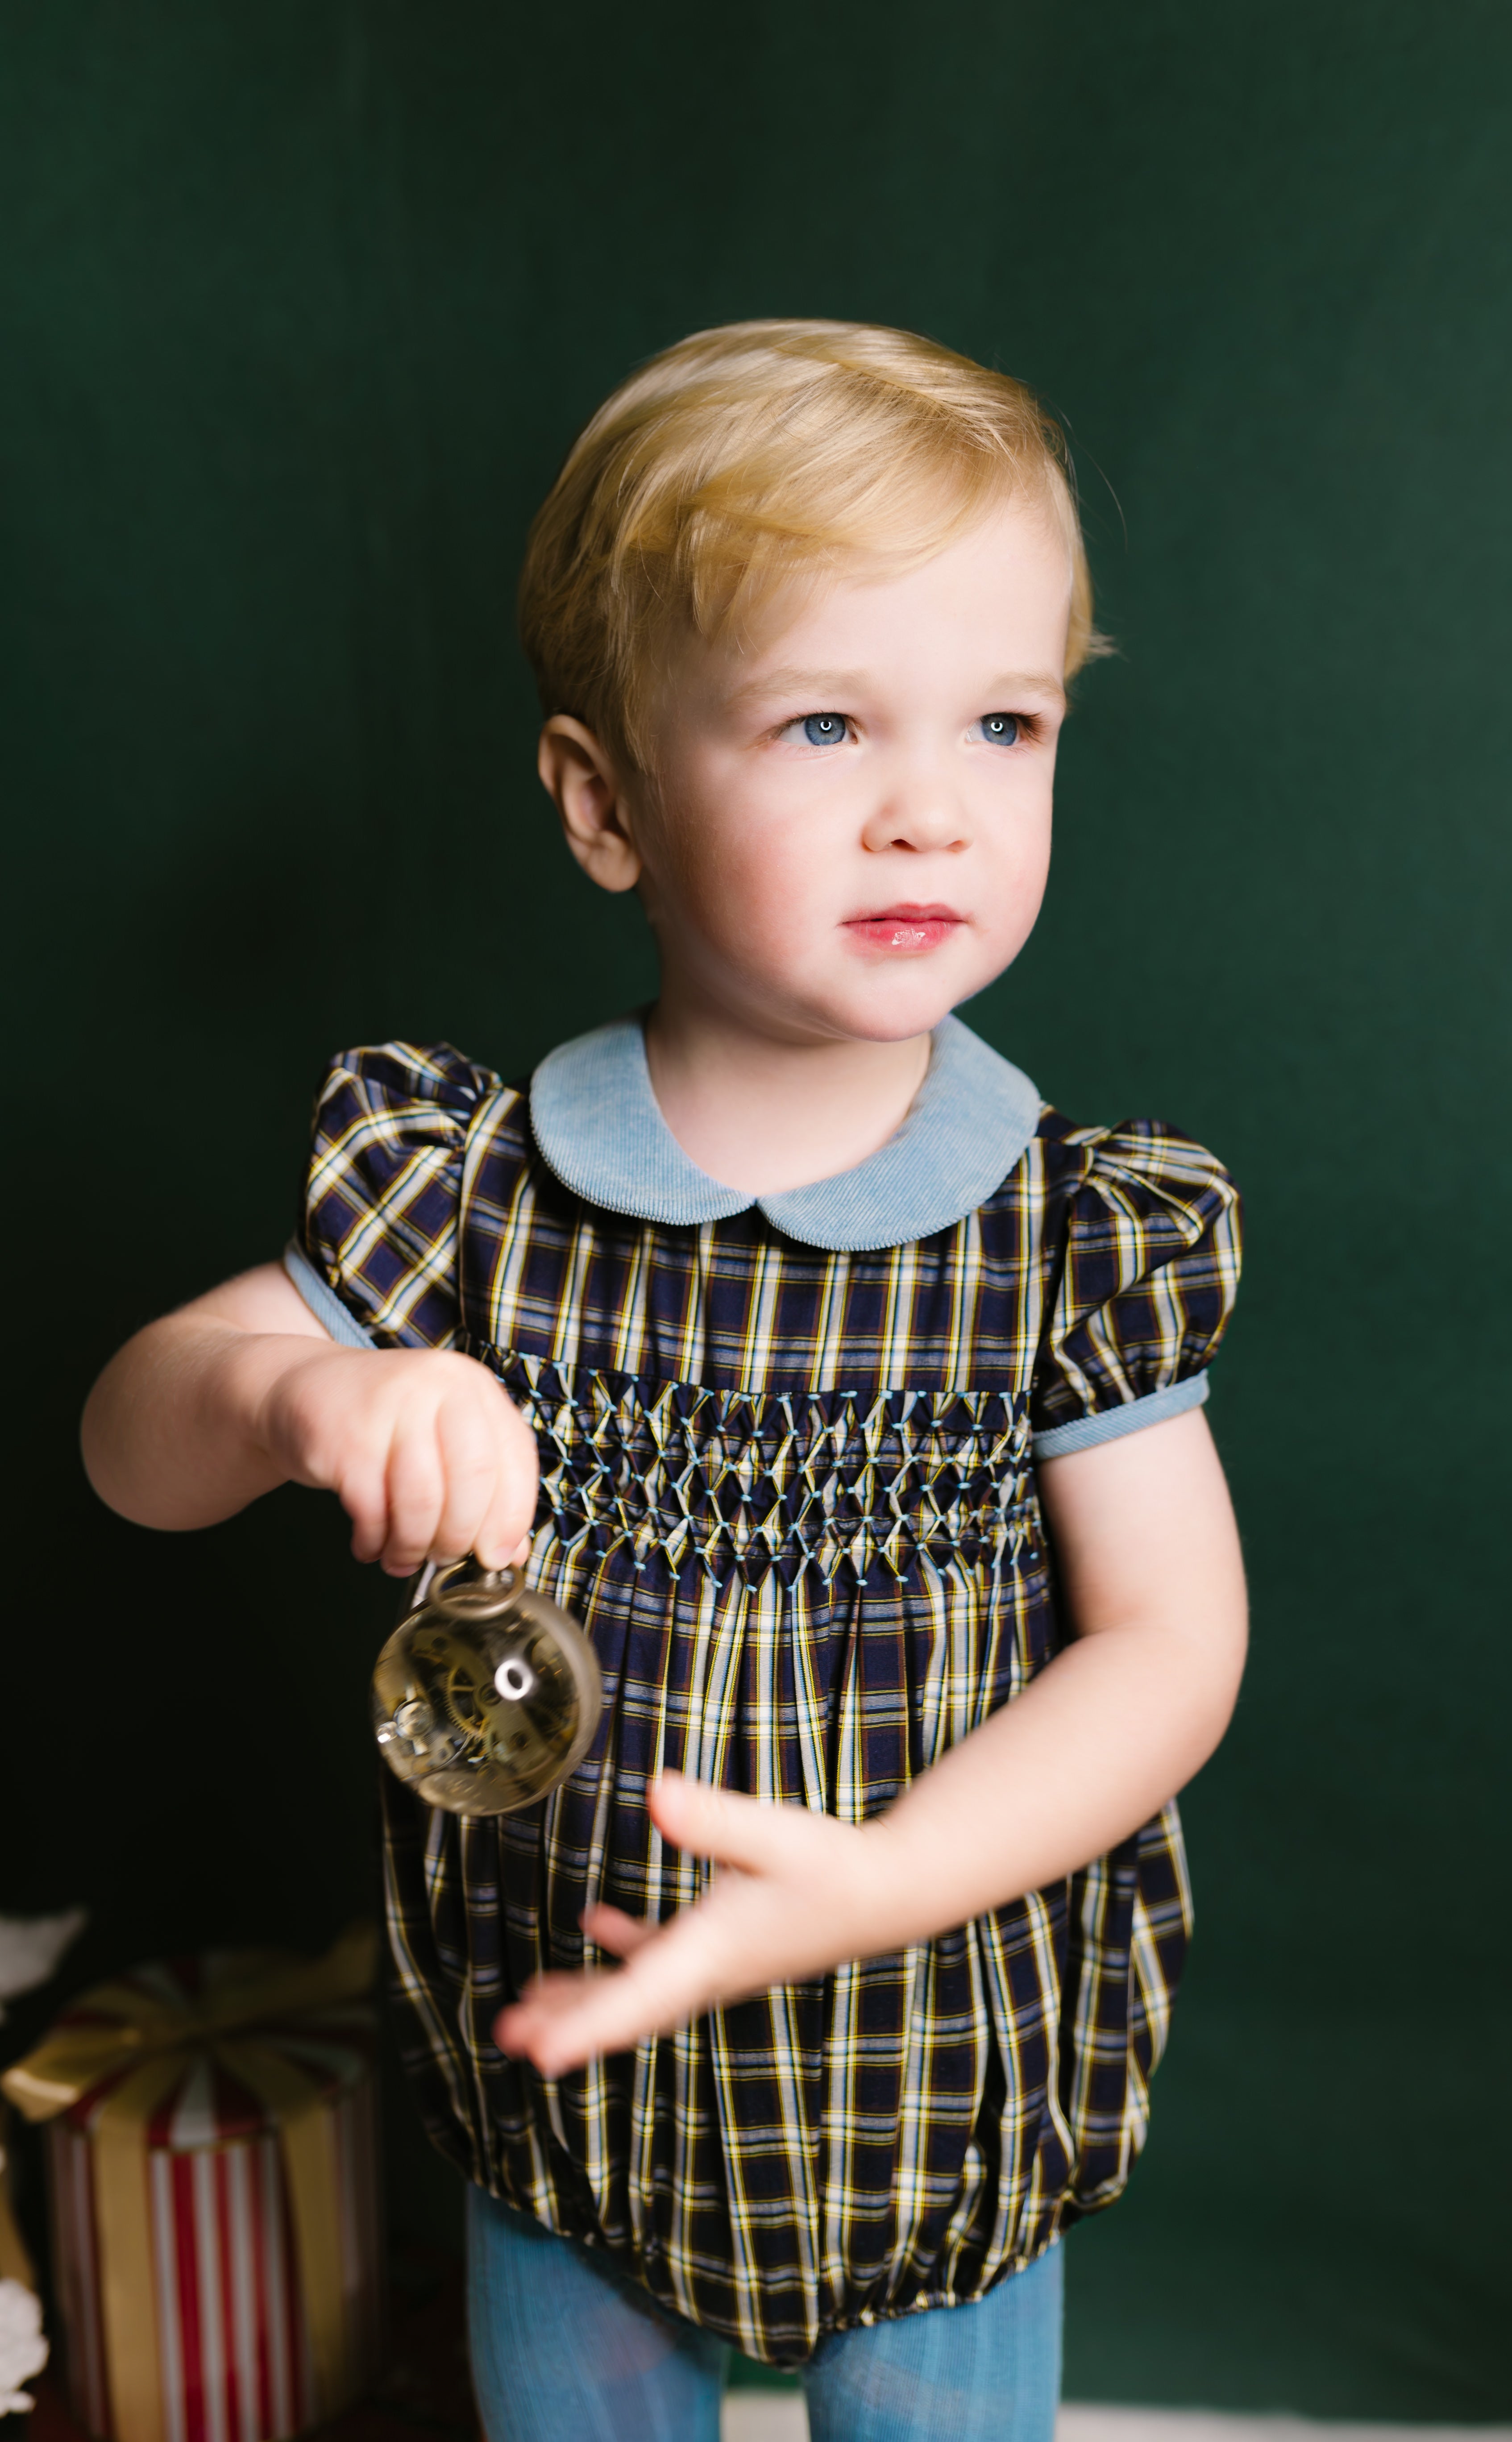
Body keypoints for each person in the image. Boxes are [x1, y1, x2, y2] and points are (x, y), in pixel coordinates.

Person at [82, 321, 1248, 2442]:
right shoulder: (473, 1190)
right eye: (822, 723)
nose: (929, 810)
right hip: (574, 2065)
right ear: (604, 802)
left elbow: (1174, 1647)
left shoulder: (1070, 1234)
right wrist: (288, 1401)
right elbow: (125, 1451)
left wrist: (887, 1884)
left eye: (1005, 722)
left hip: (932, 2075)